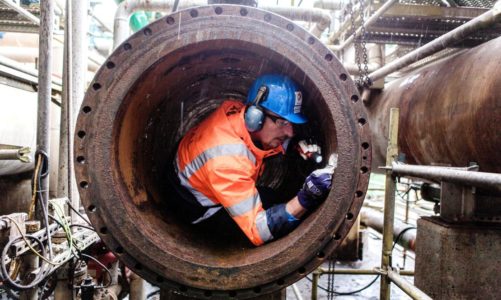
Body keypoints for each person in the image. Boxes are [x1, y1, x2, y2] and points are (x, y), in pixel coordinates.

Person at [172, 74, 336, 246]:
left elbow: (260, 144)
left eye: (291, 125)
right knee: (280, 214)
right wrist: (305, 198)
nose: (290, 133)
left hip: (192, 184)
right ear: (255, 117)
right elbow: (258, 231)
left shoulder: (235, 114)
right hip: (198, 212)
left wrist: (293, 145)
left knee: (273, 198)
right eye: (282, 123)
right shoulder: (226, 159)